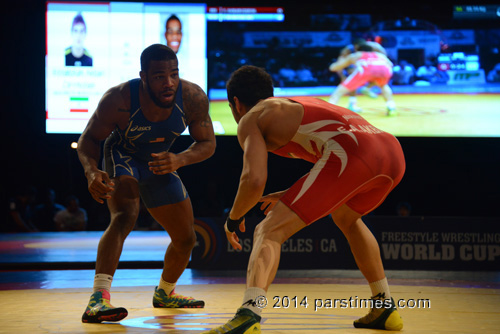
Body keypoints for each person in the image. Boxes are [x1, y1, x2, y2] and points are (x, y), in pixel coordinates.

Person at [203, 65, 405, 333]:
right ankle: (384, 307)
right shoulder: (296, 104)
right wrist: (292, 193)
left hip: (354, 155)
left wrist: (233, 219)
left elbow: (253, 181)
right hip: (391, 151)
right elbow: (337, 148)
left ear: (236, 104)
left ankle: (249, 314)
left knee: (268, 229)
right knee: (346, 217)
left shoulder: (252, 117)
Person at [77, 44, 216, 323]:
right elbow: (88, 140)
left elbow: (207, 143)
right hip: (122, 154)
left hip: (159, 161)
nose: (169, 83)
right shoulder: (118, 100)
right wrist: (92, 172)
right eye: (159, 77)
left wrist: (179, 160)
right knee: (124, 217)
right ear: (143, 76)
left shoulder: (192, 97)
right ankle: (98, 300)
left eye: (174, 74)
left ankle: (165, 293)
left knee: (186, 238)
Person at [329, 44, 397, 116]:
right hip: (385, 70)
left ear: (358, 50)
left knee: (338, 92)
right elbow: (390, 64)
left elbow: (334, 68)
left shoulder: (357, 54)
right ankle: (391, 107)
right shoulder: (380, 55)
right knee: (383, 86)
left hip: (366, 70)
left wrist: (339, 60)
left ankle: (328, 112)